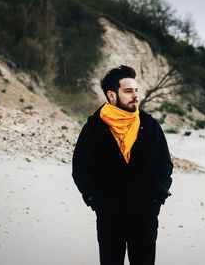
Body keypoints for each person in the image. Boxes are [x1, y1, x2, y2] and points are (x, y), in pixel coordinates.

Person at [72, 65, 173, 265]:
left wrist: (155, 202)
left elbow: (164, 166)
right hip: (110, 217)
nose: (135, 95)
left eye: (136, 90)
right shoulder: (94, 127)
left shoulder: (150, 125)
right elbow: (80, 168)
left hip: (144, 217)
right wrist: (96, 201)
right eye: (128, 91)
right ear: (111, 95)